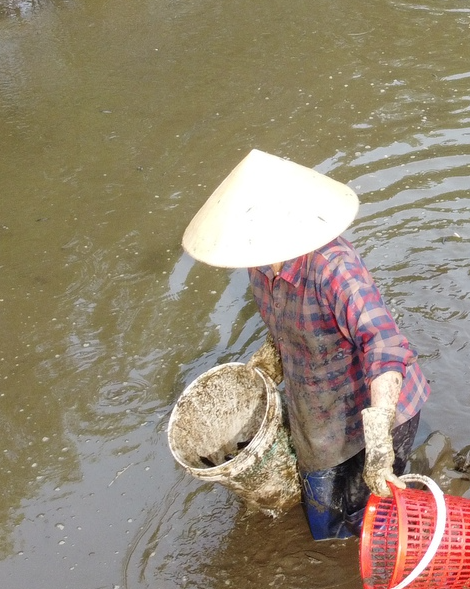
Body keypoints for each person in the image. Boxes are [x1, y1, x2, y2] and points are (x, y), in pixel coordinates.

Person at [181, 149, 431, 539]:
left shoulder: (334, 268)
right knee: (325, 524)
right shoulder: (259, 262)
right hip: (317, 414)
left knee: (373, 520)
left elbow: (385, 343)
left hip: (377, 408)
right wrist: (271, 358)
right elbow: (284, 322)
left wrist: (379, 442)